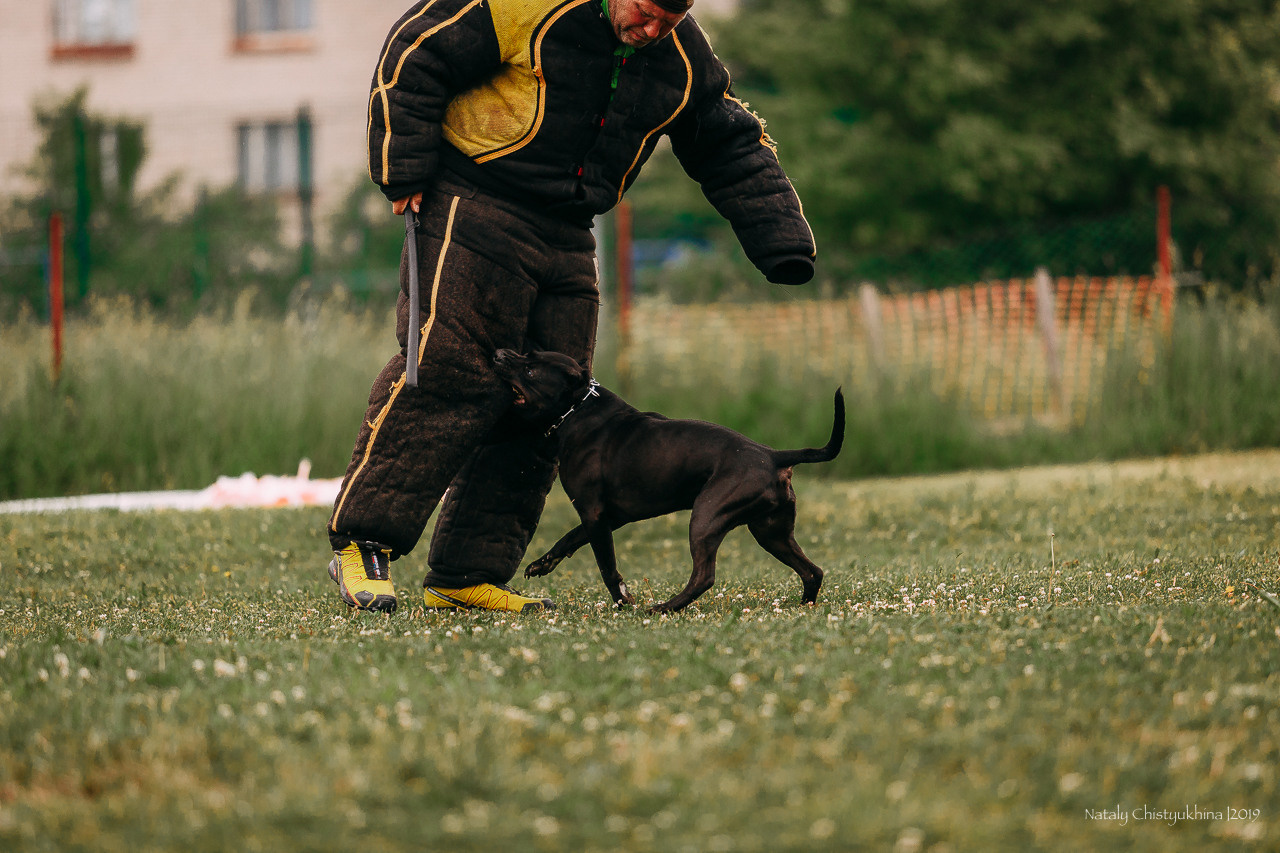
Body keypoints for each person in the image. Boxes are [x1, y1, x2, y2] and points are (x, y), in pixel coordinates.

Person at [326, 0, 817, 614]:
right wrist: (404, 167)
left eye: (669, 17)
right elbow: (413, 51)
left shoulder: (682, 57)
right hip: (471, 199)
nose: (652, 30)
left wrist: (783, 242)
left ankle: (465, 576)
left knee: (556, 404)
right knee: (448, 369)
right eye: (644, 10)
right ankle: (363, 544)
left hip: (567, 231)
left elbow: (728, 142)